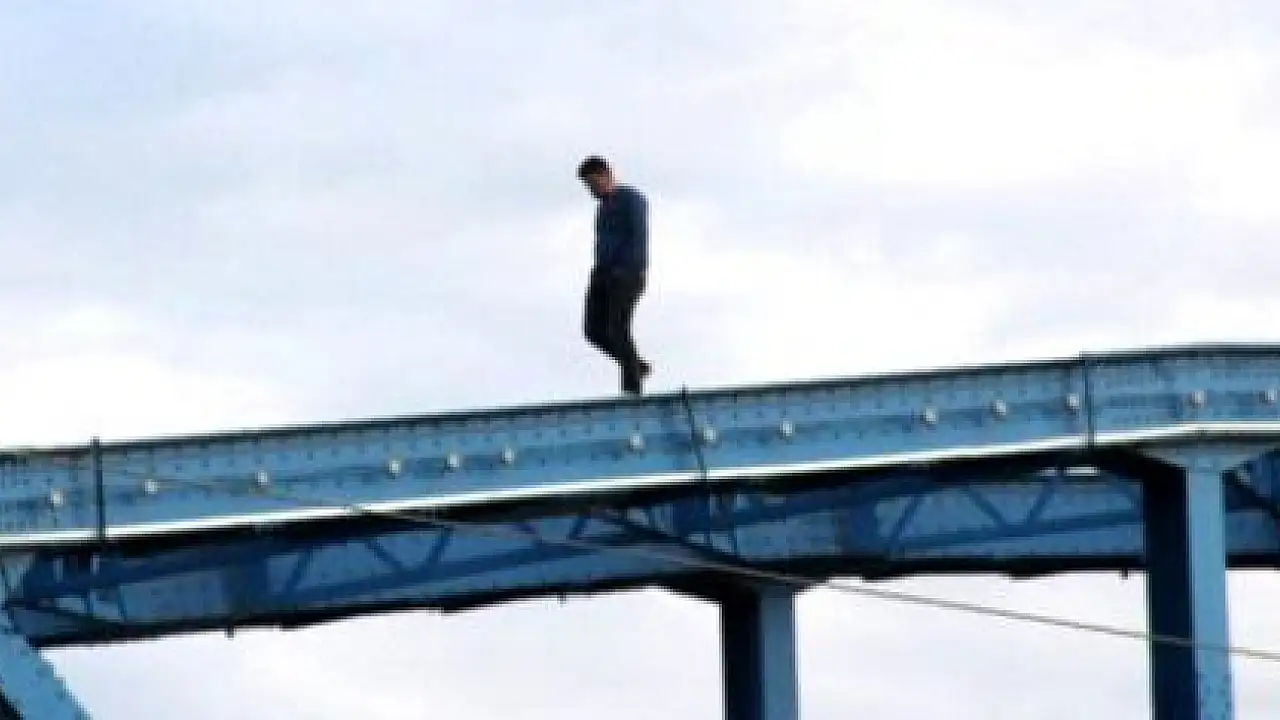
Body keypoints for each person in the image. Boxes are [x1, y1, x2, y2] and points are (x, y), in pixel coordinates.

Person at [577, 155, 652, 396]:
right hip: (602, 273)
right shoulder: (603, 209)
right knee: (593, 330)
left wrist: (627, 269)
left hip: (627, 274)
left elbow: (639, 238)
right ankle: (635, 365)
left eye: (593, 183)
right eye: (588, 186)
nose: (592, 190)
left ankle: (632, 390)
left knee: (618, 328)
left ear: (607, 174)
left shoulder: (631, 199)